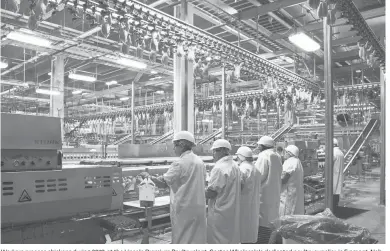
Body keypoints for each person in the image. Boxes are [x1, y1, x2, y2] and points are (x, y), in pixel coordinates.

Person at [151, 131, 207, 244]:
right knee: (196, 238)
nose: (173, 149)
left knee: (183, 238)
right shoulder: (200, 162)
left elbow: (163, 183)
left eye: (175, 145)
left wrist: (148, 177)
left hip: (184, 209)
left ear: (182, 145)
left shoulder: (179, 163)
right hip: (199, 207)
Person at [206, 139, 241, 244]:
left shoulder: (219, 168)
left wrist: (195, 191)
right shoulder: (235, 165)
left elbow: (211, 193)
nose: (213, 154)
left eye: (215, 151)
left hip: (220, 212)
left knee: (218, 241)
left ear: (221, 150)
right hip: (231, 211)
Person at [254, 135, 283, 244]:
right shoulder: (277, 155)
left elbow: (258, 176)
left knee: (263, 222)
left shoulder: (263, 156)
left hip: (264, 195)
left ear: (262, 146)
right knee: (272, 221)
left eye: (259, 146)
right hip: (274, 194)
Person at [236, 146, 262, 244]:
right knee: (250, 232)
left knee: (242, 232)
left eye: (237, 157)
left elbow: (238, 187)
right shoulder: (256, 169)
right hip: (253, 205)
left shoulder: (242, 169)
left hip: (243, 205)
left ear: (241, 157)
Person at [279, 145, 304, 217]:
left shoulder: (290, 162)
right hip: (294, 193)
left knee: (287, 215)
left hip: (288, 194)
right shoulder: (297, 161)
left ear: (289, 153)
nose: (284, 154)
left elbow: (283, 179)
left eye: (285, 152)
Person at [333, 138, 345, 212]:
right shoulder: (341, 152)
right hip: (339, 174)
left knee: (333, 192)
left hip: (333, 175)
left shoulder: (333, 153)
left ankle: (332, 209)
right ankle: (336, 207)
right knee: (337, 192)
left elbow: (329, 164)